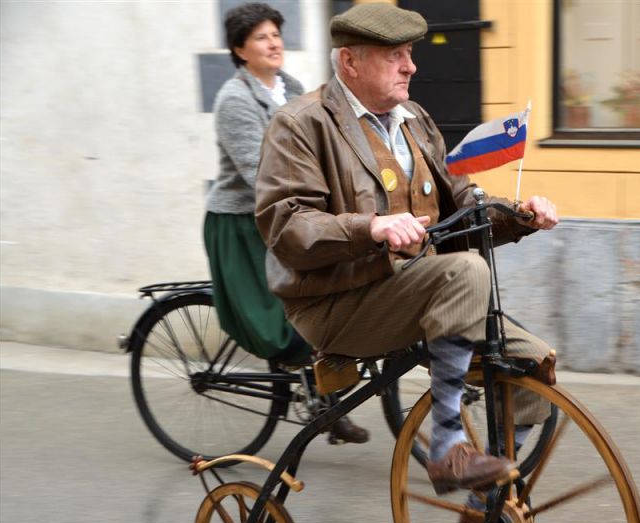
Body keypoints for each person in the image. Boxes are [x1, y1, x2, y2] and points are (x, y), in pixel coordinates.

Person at [254, 2, 558, 495]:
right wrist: (370, 227)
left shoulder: (414, 119)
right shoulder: (301, 123)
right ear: (350, 62)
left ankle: (492, 505)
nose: (411, 66)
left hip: (415, 289)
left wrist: (519, 216)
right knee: (465, 273)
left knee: (534, 365)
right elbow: (286, 227)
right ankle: (446, 450)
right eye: (395, 54)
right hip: (334, 302)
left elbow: (462, 204)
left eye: (410, 53)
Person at [205, 2, 369, 444]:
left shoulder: (292, 86)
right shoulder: (234, 100)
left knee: (334, 292)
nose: (274, 41)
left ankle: (325, 400)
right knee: (291, 315)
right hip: (244, 223)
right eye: (260, 36)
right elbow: (260, 170)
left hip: (291, 213)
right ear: (240, 49)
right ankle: (318, 394)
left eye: (275, 33)